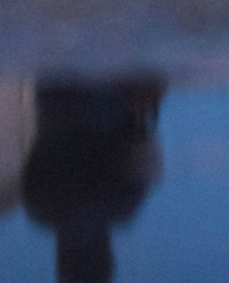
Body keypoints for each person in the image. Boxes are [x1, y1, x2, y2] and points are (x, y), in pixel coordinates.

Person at [21, 75, 166, 283]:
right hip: (57, 95)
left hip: (106, 98)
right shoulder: (39, 208)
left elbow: (147, 150)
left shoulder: (122, 207)